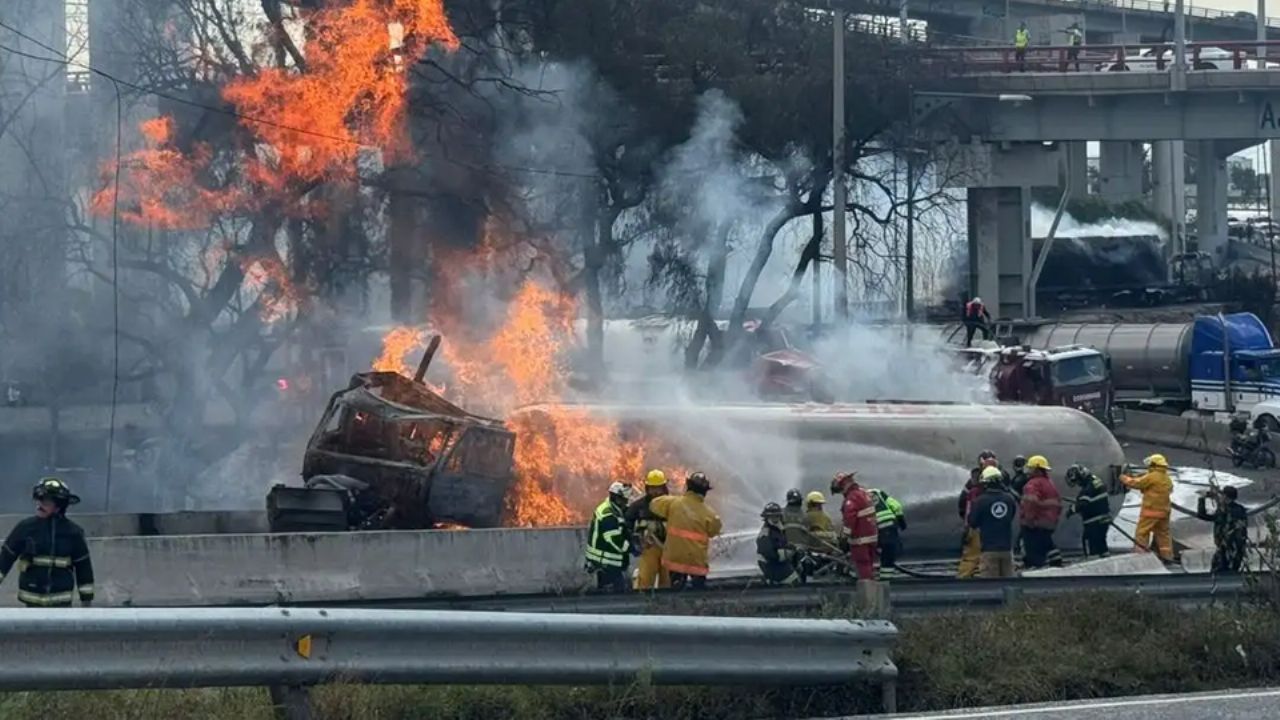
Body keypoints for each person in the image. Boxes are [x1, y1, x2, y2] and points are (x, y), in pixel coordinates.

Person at [0, 478, 95, 607]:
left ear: (58, 506)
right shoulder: (25, 528)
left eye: (45, 501)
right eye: (38, 500)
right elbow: (5, 559)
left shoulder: (73, 533)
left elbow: (84, 568)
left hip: (61, 605)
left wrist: (86, 601)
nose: (39, 505)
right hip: (31, 603)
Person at [648, 472, 722, 590]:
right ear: (704, 491)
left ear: (688, 486)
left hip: (675, 561)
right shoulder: (709, 514)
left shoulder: (672, 503)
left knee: (676, 592)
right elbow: (714, 531)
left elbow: (653, 504)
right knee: (699, 593)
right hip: (696, 562)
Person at [1121, 454, 1175, 561]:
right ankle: (1167, 557)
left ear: (1153, 465)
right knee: (1163, 535)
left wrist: (1123, 477)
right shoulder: (1166, 478)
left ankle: (1141, 557)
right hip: (1164, 511)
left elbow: (1137, 483)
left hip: (1151, 511)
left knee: (1142, 533)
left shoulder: (1152, 476)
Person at [968, 466, 1018, 578]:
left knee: (991, 586)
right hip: (1007, 550)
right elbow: (1011, 516)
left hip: (989, 549)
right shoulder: (1009, 499)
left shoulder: (980, 501)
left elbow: (972, 522)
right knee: (1009, 585)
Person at [625, 469, 671, 590]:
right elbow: (627, 523)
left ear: (664, 488)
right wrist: (634, 541)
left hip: (669, 549)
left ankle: (667, 606)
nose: (655, 491)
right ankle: (642, 604)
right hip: (649, 548)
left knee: (667, 583)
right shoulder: (639, 506)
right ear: (647, 488)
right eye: (652, 488)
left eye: (658, 488)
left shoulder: (673, 505)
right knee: (644, 581)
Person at [585, 482, 633, 592]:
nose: (626, 502)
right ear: (617, 498)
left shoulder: (613, 509)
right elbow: (616, 541)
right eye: (624, 499)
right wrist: (633, 548)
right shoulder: (608, 515)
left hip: (609, 563)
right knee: (615, 597)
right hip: (605, 564)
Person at [1019, 455, 1063, 569]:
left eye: (1031, 468)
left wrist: (1028, 520)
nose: (1028, 471)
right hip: (1048, 523)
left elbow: (1031, 503)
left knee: (1032, 548)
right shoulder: (1049, 484)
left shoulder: (1032, 484)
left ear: (1037, 470)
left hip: (1035, 523)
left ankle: (1035, 570)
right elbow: (1058, 505)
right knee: (1046, 543)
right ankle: (1055, 563)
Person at [833, 472, 879, 581]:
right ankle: (873, 588)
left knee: (862, 566)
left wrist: (844, 537)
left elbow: (850, 520)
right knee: (870, 564)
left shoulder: (852, 498)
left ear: (843, 484)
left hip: (860, 539)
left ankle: (867, 592)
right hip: (872, 536)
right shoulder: (863, 493)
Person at [1195, 485, 1249, 574]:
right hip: (1236, 549)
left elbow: (1202, 515)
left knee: (1219, 572)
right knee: (1231, 572)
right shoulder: (1240, 509)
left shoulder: (1225, 512)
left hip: (1227, 549)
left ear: (1225, 497)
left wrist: (1202, 498)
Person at [1066, 464, 1111, 558]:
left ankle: (1091, 563)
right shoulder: (1095, 481)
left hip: (1093, 521)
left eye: (1077, 481)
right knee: (1101, 544)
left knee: (1089, 543)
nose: (1078, 484)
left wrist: (1072, 510)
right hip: (1104, 518)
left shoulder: (1088, 488)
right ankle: (1105, 564)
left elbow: (1083, 503)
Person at [757, 502, 800, 585]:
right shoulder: (765, 533)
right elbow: (769, 554)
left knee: (797, 576)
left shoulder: (778, 530)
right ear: (766, 517)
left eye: (777, 516)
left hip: (779, 564)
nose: (775, 518)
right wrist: (786, 553)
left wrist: (792, 548)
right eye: (772, 516)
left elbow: (782, 544)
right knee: (793, 581)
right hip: (771, 565)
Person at [868, 487, 907, 578]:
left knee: (874, 554)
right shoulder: (878, 492)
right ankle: (886, 580)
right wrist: (902, 522)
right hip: (889, 526)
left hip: (873, 530)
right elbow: (896, 506)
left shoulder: (860, 497)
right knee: (889, 555)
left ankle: (871, 576)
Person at [956, 467, 984, 578]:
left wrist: (967, 527)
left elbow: (967, 510)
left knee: (971, 557)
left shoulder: (973, 492)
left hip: (975, 528)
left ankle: (964, 579)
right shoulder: (977, 491)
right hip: (988, 530)